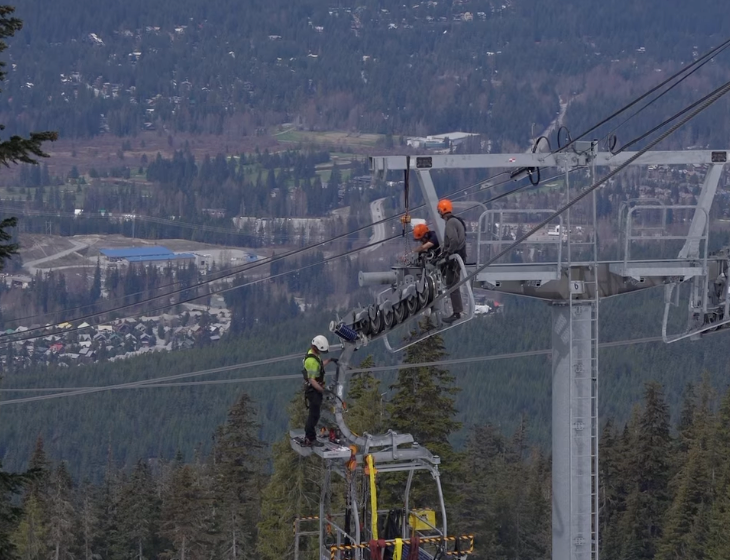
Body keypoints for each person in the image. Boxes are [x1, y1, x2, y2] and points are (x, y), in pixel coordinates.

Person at [437, 199, 467, 324]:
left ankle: (457, 312)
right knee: (451, 283)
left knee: (452, 285)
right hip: (458, 256)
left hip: (455, 258)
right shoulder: (456, 221)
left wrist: (448, 253)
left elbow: (454, 240)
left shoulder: (450, 223)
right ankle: (456, 311)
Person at [302, 335, 333, 447]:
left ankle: (309, 435)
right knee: (314, 415)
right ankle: (310, 437)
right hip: (313, 391)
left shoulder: (314, 356)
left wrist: (329, 361)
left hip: (315, 390)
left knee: (315, 414)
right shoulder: (311, 361)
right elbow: (312, 380)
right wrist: (322, 390)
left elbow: (319, 366)